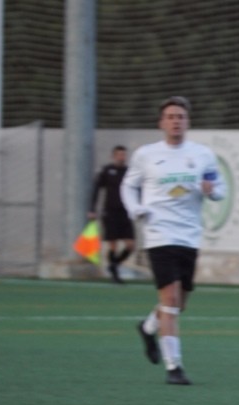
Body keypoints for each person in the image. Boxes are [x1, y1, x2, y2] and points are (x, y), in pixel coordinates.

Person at [120, 96, 226, 385]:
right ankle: (173, 367)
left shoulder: (202, 155)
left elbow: (220, 189)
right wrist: (135, 209)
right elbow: (128, 185)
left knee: (180, 303)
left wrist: (212, 190)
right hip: (159, 233)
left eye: (180, 116)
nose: (176, 121)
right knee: (169, 300)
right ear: (161, 123)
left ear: (187, 122)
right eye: (170, 117)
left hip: (189, 235)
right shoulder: (146, 155)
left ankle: (147, 327)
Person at [89, 145, 136, 283]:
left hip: (125, 212)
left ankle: (114, 265)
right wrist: (92, 209)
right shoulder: (106, 171)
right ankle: (115, 275)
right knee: (113, 245)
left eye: (124, 155)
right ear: (113, 156)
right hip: (110, 212)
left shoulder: (129, 172)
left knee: (130, 245)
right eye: (119, 155)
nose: (122, 157)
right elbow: (96, 189)